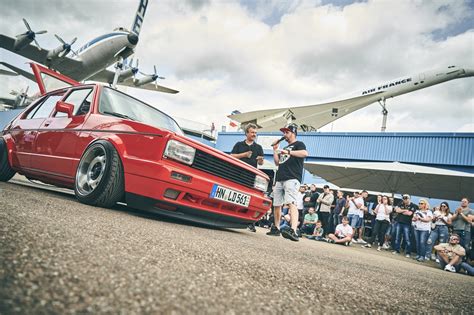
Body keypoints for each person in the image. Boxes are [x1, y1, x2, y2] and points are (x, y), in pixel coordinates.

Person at [267, 123, 308, 241]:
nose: (284, 135)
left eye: (287, 132)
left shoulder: (299, 144)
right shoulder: (284, 148)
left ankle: (294, 230)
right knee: (277, 204)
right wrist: (275, 150)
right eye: (283, 133)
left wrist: (289, 152)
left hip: (292, 177)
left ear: (293, 132)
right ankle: (276, 227)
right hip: (280, 178)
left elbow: (305, 154)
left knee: (291, 203)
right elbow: (277, 163)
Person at [230, 123, 264, 233]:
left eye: (255, 133)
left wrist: (260, 160)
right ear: (246, 133)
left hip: (251, 177)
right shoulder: (239, 145)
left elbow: (261, 163)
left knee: (250, 199)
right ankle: (231, 217)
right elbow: (231, 156)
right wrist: (243, 155)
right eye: (252, 132)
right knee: (234, 195)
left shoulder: (258, 148)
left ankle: (250, 223)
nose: (254, 134)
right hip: (237, 174)